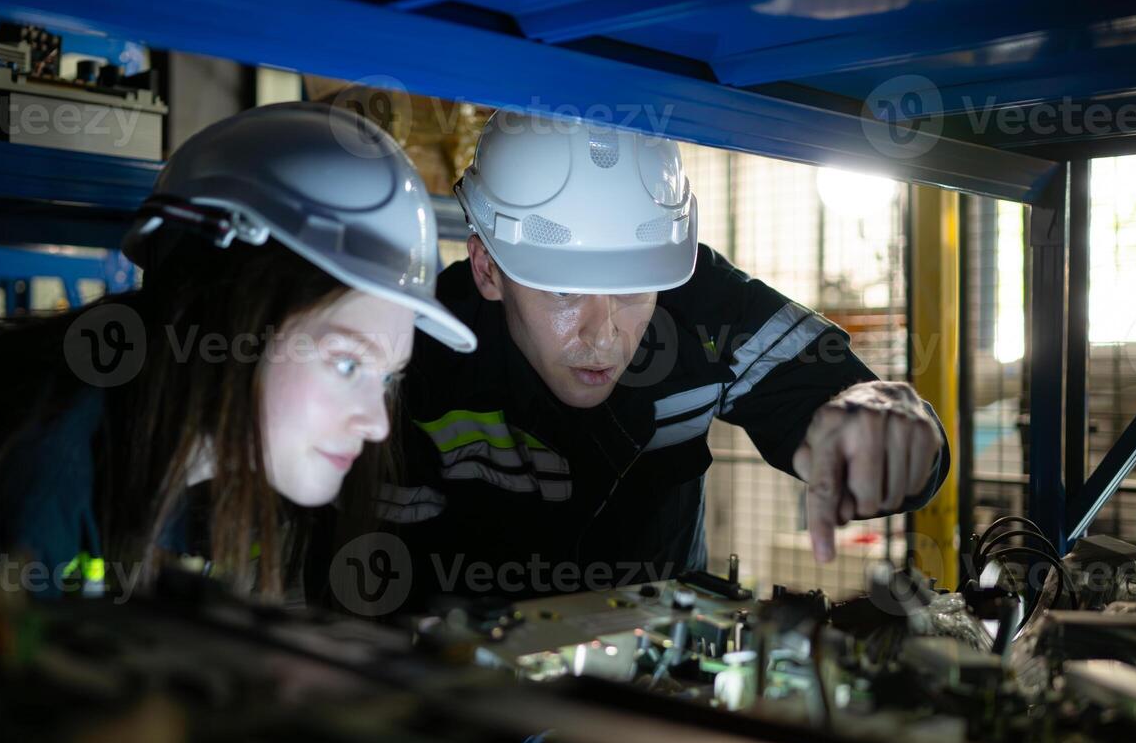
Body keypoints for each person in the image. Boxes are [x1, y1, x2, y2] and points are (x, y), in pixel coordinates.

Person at [0, 102, 475, 612]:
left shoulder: (197, 464)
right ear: (226, 317)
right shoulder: (34, 457)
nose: (376, 423)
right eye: (347, 363)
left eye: (388, 378)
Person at [325, 112, 948, 614]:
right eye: (565, 291)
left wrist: (881, 422)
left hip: (658, 690)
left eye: (629, 290)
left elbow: (843, 398)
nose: (602, 335)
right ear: (489, 269)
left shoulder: (704, 305)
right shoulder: (423, 357)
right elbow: (369, 593)